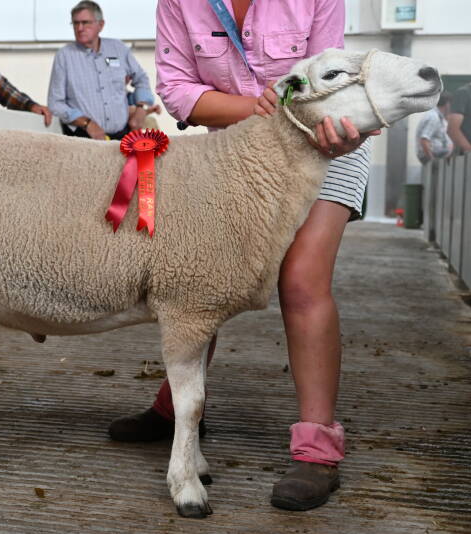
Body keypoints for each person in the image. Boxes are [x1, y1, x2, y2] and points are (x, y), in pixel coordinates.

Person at [108, 0, 381, 512]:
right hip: (240, 147)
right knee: (202, 271)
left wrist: (320, 117)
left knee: (300, 280)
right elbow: (177, 88)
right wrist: (257, 107)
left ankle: (317, 449)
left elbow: (329, 78)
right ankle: (175, 409)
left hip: (325, 143)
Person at [47, 1, 156, 140]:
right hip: (83, 139)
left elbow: (141, 79)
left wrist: (141, 109)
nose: (80, 28)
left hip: (122, 137)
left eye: (85, 22)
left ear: (101, 25)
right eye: (75, 23)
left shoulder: (118, 49)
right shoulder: (64, 56)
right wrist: (87, 123)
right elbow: (55, 104)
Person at [416, 92, 453, 164]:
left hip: (434, 154)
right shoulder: (433, 117)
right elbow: (424, 140)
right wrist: (432, 160)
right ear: (447, 104)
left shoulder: (438, 117)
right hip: (431, 156)